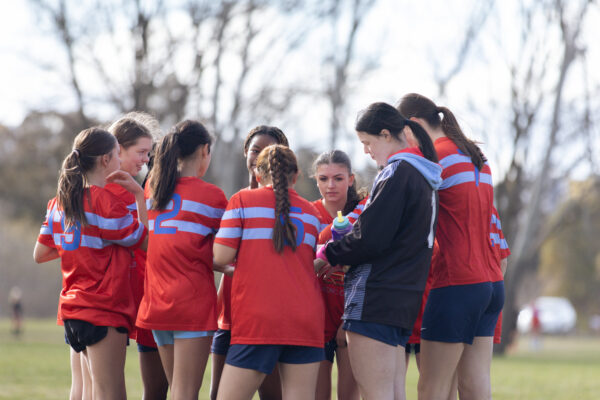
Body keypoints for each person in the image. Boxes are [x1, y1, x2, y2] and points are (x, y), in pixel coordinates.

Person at [315, 102, 442, 400]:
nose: (366, 151)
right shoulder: (423, 174)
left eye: (367, 143)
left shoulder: (397, 172)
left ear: (386, 135)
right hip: (401, 300)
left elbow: (370, 237)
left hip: (375, 299)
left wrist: (328, 255)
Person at [397, 93, 505, 400]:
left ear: (414, 125)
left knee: (431, 387)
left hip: (456, 284)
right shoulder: (476, 156)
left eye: (402, 133)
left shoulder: (432, 158)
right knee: (475, 384)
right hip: (491, 283)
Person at [34, 127, 148, 400]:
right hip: (102, 309)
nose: (120, 161)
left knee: (91, 393)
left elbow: (40, 253)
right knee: (111, 395)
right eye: (116, 155)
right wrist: (139, 197)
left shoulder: (58, 203)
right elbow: (147, 243)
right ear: (105, 160)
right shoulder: (106, 203)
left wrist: (81, 249)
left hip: (73, 311)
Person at [213, 144, 324, 400]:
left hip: (258, 319)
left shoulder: (242, 200)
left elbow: (221, 256)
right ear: (295, 177)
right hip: (305, 321)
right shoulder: (313, 213)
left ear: (258, 174)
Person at [136, 120, 227, 400]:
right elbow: (226, 252)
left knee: (177, 389)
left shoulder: (152, 189)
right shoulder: (212, 197)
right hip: (191, 304)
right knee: (185, 392)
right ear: (204, 150)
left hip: (157, 304)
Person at [210, 126, 289, 400]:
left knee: (272, 396)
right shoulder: (235, 200)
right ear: (246, 152)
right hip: (229, 312)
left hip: (266, 315)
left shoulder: (291, 209)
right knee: (217, 394)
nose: (259, 157)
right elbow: (217, 256)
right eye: (255, 150)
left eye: (267, 152)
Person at [107, 114, 169, 400]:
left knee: (156, 387)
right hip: (110, 302)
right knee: (102, 387)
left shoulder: (138, 189)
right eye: (141, 152)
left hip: (144, 297)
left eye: (149, 153)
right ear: (117, 148)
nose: (146, 159)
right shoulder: (104, 192)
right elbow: (144, 242)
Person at [311, 150, 365, 400]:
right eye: (323, 179)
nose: (330, 185)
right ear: (315, 180)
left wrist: (348, 318)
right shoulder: (307, 214)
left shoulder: (365, 214)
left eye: (338, 178)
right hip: (316, 319)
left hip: (352, 315)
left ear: (351, 179)